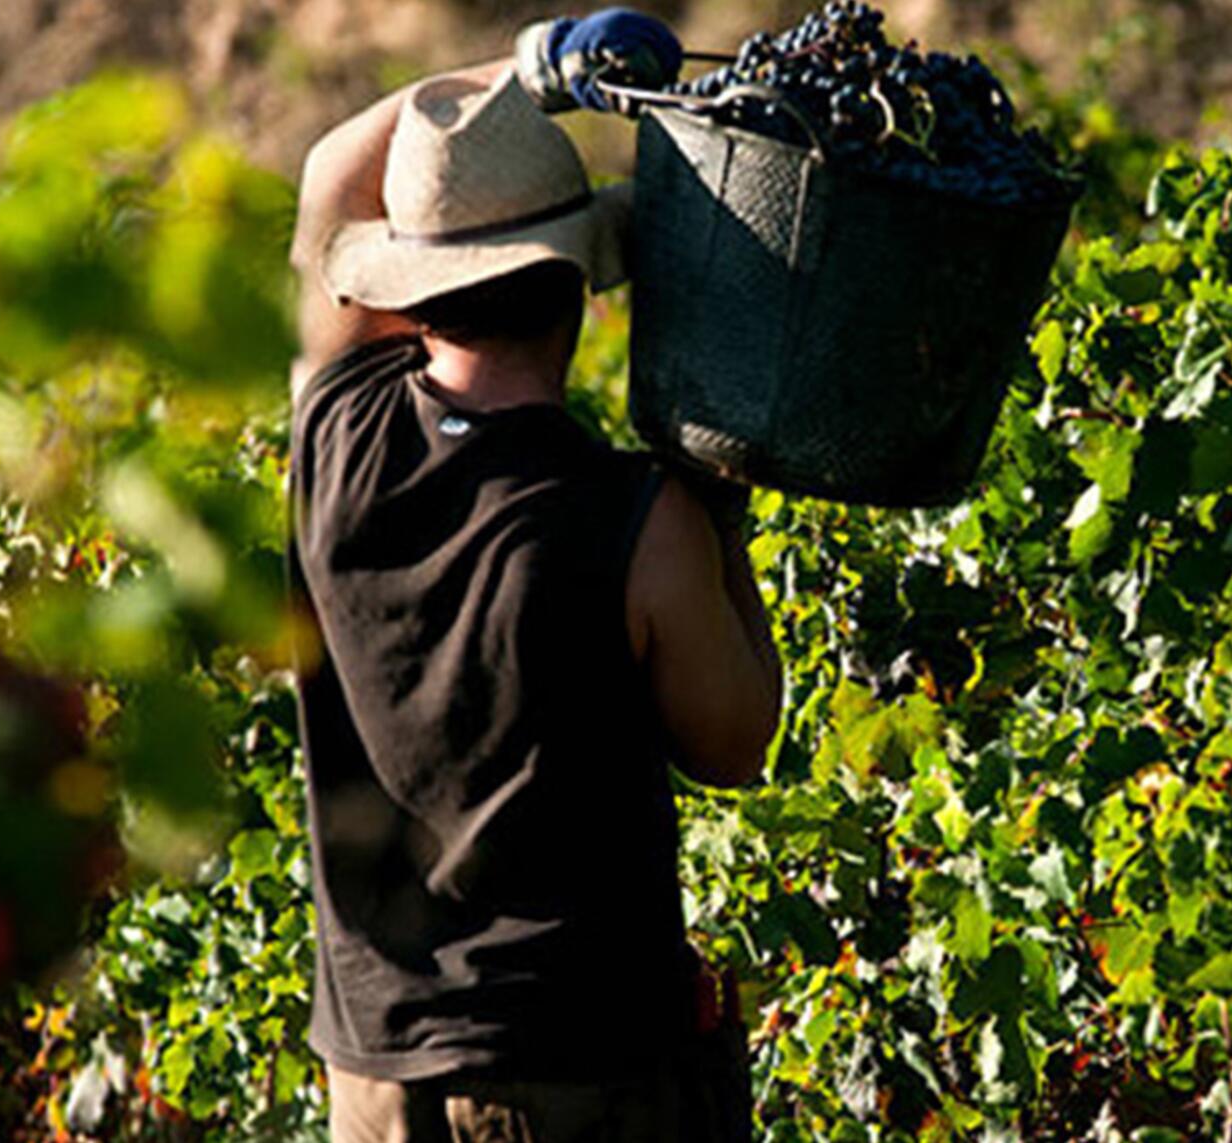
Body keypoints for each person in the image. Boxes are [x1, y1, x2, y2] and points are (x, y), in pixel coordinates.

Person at [284, 10, 780, 1141]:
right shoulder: (638, 521)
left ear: (406, 293)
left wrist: (524, 71)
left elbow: (329, 177)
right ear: (578, 293)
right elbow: (735, 741)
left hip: (371, 1076)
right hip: (574, 1074)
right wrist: (723, 512)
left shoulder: (335, 429)